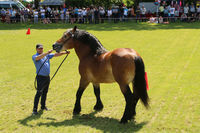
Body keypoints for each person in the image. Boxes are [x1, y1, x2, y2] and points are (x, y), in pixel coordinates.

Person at [32, 44, 70, 115]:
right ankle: (34, 109)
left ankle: (43, 106)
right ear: (36, 49)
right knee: (39, 93)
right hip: (40, 77)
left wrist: (65, 53)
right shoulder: (35, 56)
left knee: (45, 92)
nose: (41, 50)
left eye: (41, 48)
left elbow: (56, 54)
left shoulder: (46, 55)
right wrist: (47, 52)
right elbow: (38, 58)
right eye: (39, 49)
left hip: (47, 77)